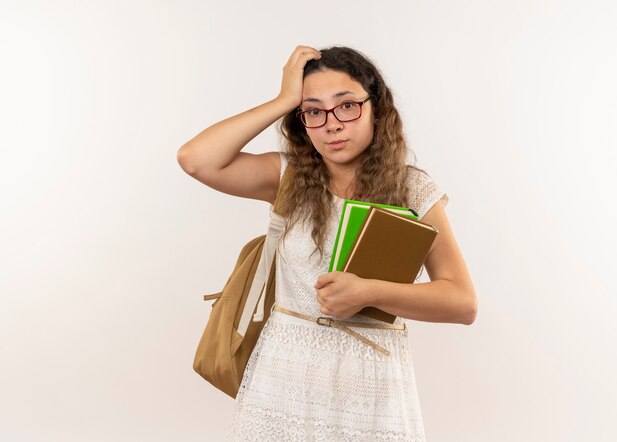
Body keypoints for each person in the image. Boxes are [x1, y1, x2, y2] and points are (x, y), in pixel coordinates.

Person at [177, 45, 477, 441]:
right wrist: (284, 99)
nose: (332, 124)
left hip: (370, 381)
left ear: (377, 109)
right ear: (301, 122)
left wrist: (367, 292)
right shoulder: (288, 178)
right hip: (283, 372)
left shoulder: (412, 188)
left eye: (347, 105)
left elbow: (462, 302)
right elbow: (196, 158)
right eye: (314, 111)